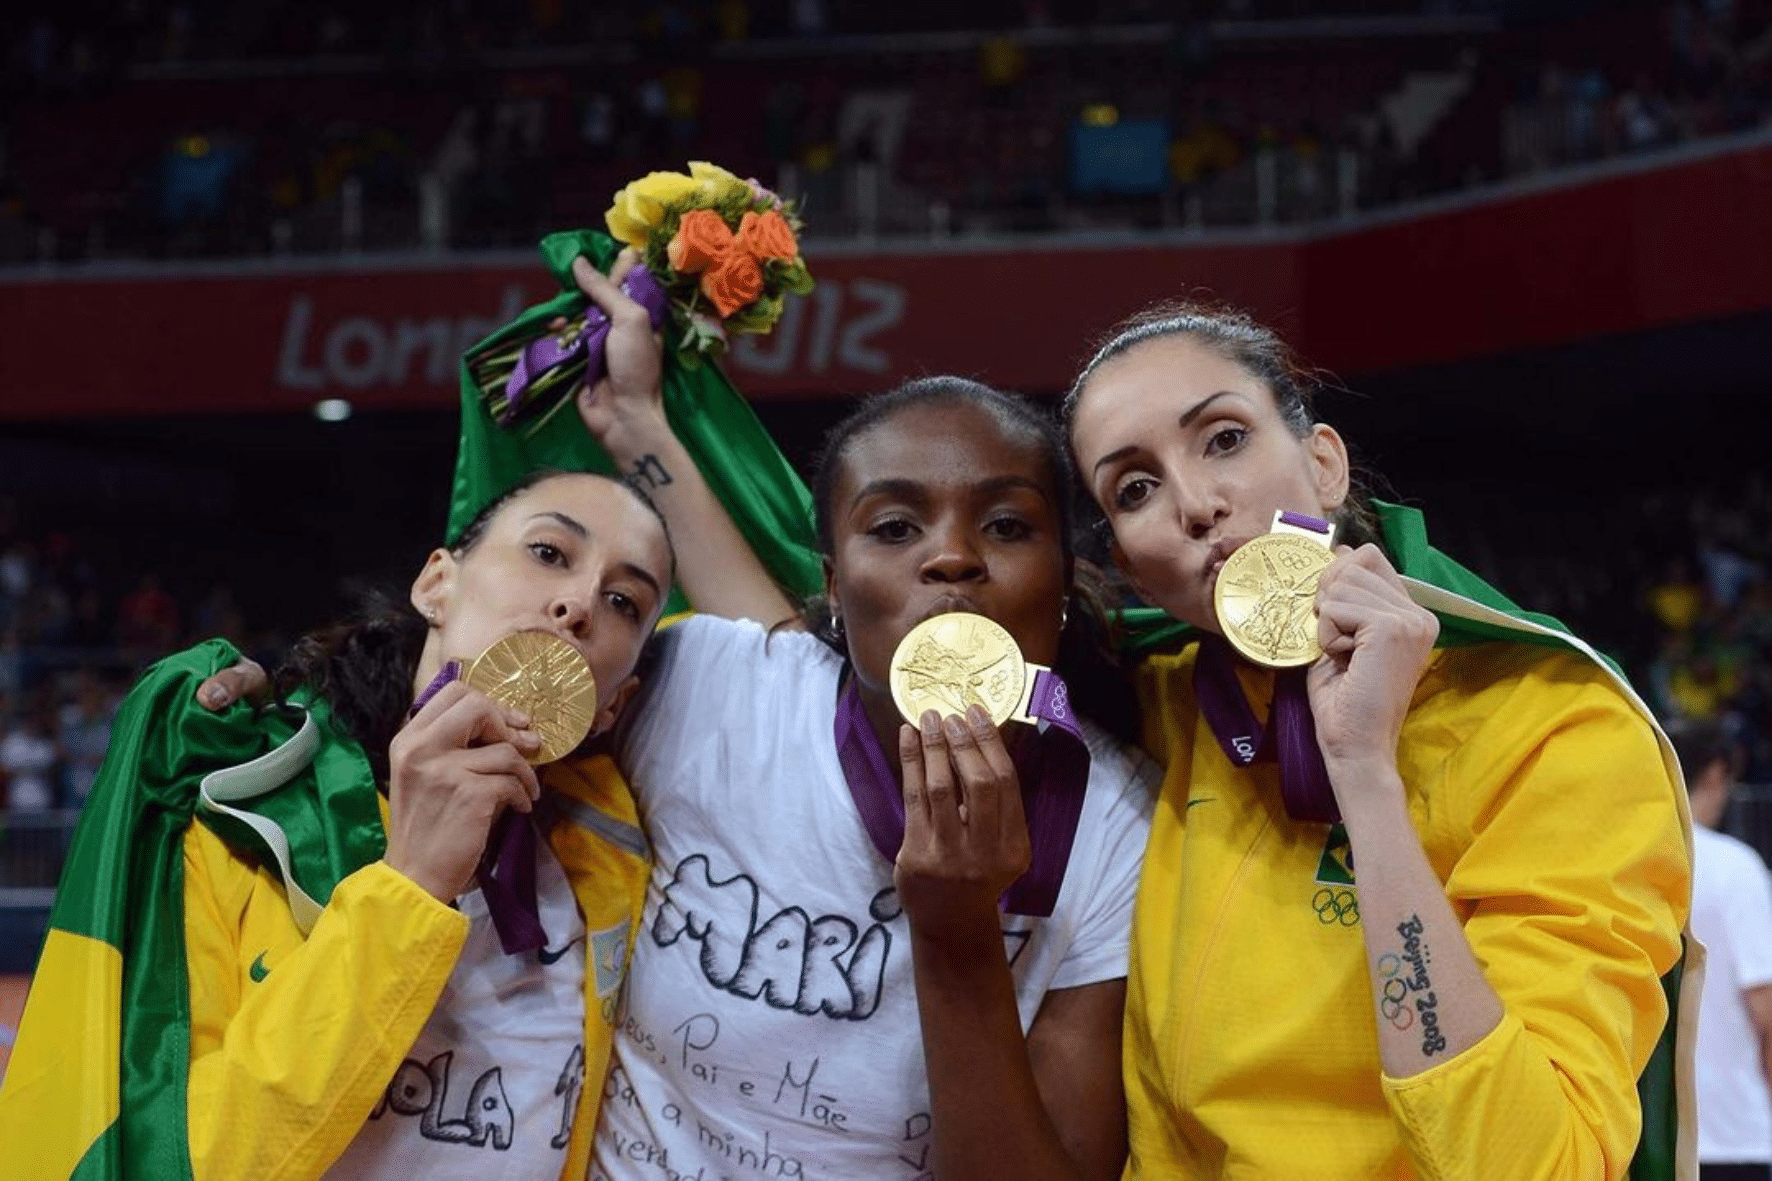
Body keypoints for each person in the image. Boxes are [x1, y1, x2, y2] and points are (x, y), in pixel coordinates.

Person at [1059, 301, 1693, 1179]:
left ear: (1323, 464)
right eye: (1134, 489)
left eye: (1225, 439)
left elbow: (1538, 1166)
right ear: (1132, 568)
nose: (1196, 504)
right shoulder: (1160, 702)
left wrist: (1366, 778)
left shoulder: (1557, 725)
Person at [567, 247, 1156, 1179]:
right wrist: (268, 698)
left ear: (1065, 584)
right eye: (894, 528)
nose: (952, 560)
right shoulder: (712, 686)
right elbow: (468, 672)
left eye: (1007, 525)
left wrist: (960, 932)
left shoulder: (1116, 826)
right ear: (835, 591)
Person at [0, 468, 677, 1181]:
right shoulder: (245, 821)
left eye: (624, 602)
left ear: (614, 704)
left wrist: (644, 421)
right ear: (436, 584)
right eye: (548, 553)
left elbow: (792, 634)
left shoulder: (609, 862)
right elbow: (186, 1161)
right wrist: (409, 885)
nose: (577, 604)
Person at [1671, 718, 1772, 1181]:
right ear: (1715, 774)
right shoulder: (1736, 868)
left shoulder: (1633, 864)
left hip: (1654, 1136)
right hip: (1735, 1134)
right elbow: (1765, 1009)